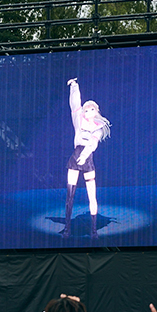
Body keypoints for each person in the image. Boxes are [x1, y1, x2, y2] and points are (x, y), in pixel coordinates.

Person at [62, 78, 110, 239]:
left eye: (91, 110)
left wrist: (84, 156)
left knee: (92, 195)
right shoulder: (78, 120)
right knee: (70, 194)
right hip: (75, 158)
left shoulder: (99, 127)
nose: (87, 112)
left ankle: (94, 230)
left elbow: (93, 144)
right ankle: (67, 229)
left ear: (96, 111)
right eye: (86, 109)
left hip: (87, 160)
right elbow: (75, 105)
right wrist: (74, 87)